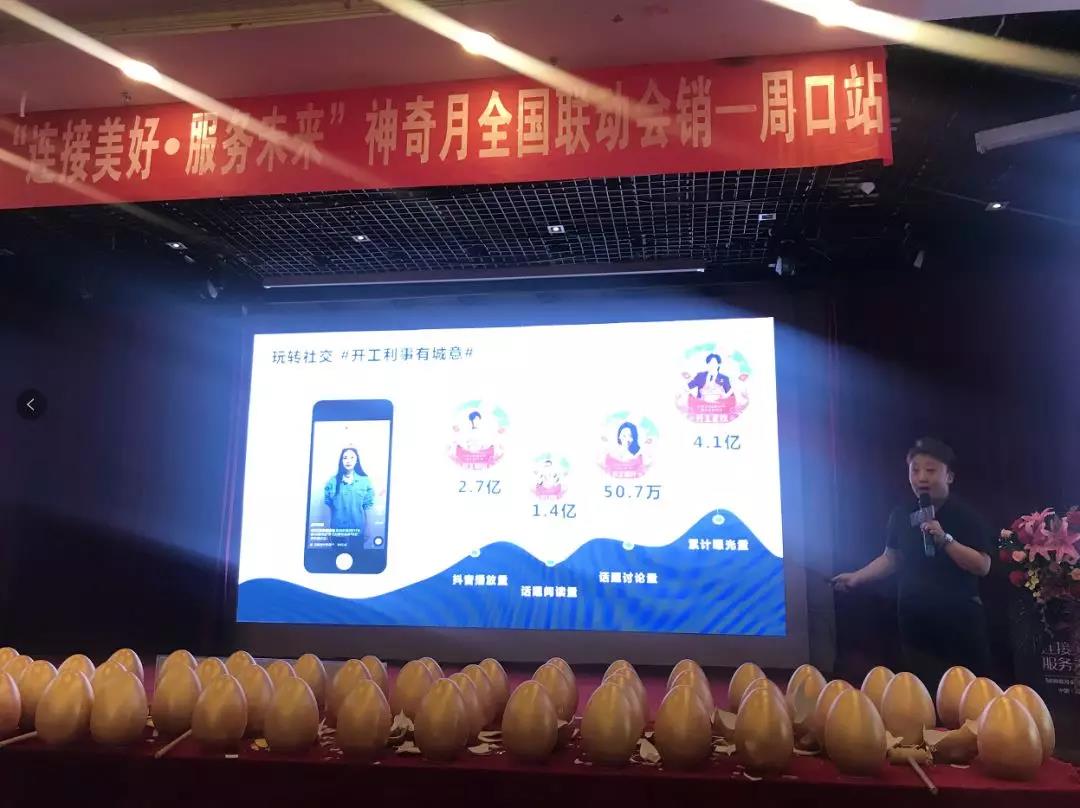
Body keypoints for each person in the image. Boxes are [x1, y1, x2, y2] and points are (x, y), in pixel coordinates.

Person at [831, 437, 993, 690]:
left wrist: (945, 540)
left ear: (949, 476)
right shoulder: (901, 513)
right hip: (914, 617)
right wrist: (857, 577)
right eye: (915, 470)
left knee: (966, 692)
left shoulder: (966, 515)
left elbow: (982, 566)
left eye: (930, 470)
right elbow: (891, 558)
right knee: (922, 692)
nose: (921, 478)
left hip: (959, 619)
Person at [323, 447, 375, 534]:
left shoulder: (365, 481)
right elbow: (328, 505)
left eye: (352, 457)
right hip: (337, 530)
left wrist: (368, 528)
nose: (348, 461)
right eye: (345, 458)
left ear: (356, 461)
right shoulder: (332, 482)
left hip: (357, 530)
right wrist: (328, 528)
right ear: (341, 461)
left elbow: (368, 506)